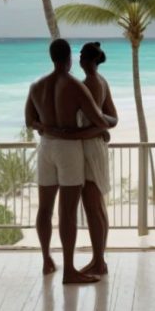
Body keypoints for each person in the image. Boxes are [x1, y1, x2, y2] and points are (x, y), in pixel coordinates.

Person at [25, 39, 114, 285]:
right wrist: (91, 132)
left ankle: (46, 260)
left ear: (52, 57)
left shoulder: (36, 86)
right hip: (69, 150)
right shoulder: (76, 86)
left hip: (45, 148)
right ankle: (69, 270)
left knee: (44, 208)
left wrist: (46, 128)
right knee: (68, 212)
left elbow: (29, 120)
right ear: (70, 59)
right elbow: (101, 120)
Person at [48, 42, 115, 276]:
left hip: (87, 149)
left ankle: (98, 261)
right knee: (98, 207)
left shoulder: (85, 85)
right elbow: (112, 118)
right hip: (95, 146)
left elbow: (100, 121)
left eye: (81, 57)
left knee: (92, 206)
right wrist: (100, 128)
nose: (78, 60)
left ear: (87, 60)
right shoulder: (103, 82)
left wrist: (76, 134)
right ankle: (100, 259)